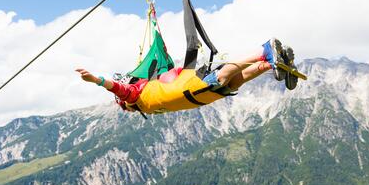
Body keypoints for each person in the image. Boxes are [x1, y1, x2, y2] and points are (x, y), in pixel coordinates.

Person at [76, 38, 298, 114]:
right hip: (196, 95)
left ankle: (264, 51)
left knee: (221, 78)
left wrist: (96, 80)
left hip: (192, 89)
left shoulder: (135, 95)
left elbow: (119, 89)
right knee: (231, 82)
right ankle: (270, 64)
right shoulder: (145, 103)